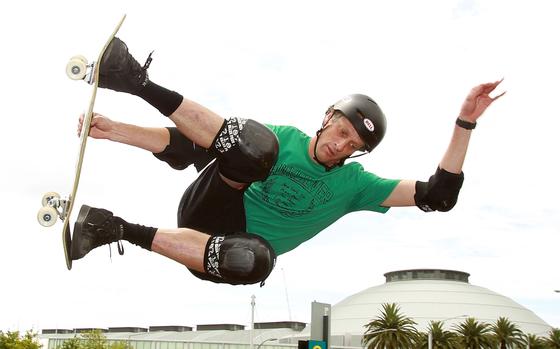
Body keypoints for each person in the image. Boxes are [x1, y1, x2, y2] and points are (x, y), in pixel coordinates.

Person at [70, 37, 505, 286]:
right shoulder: (287, 140)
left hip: (225, 256)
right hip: (209, 208)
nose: (342, 145)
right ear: (327, 119)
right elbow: (193, 145)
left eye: (353, 144)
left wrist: (464, 123)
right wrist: (119, 131)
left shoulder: (358, 186)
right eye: (341, 131)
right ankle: (132, 79)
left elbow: (440, 196)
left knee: (259, 259)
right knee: (255, 145)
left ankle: (109, 228)